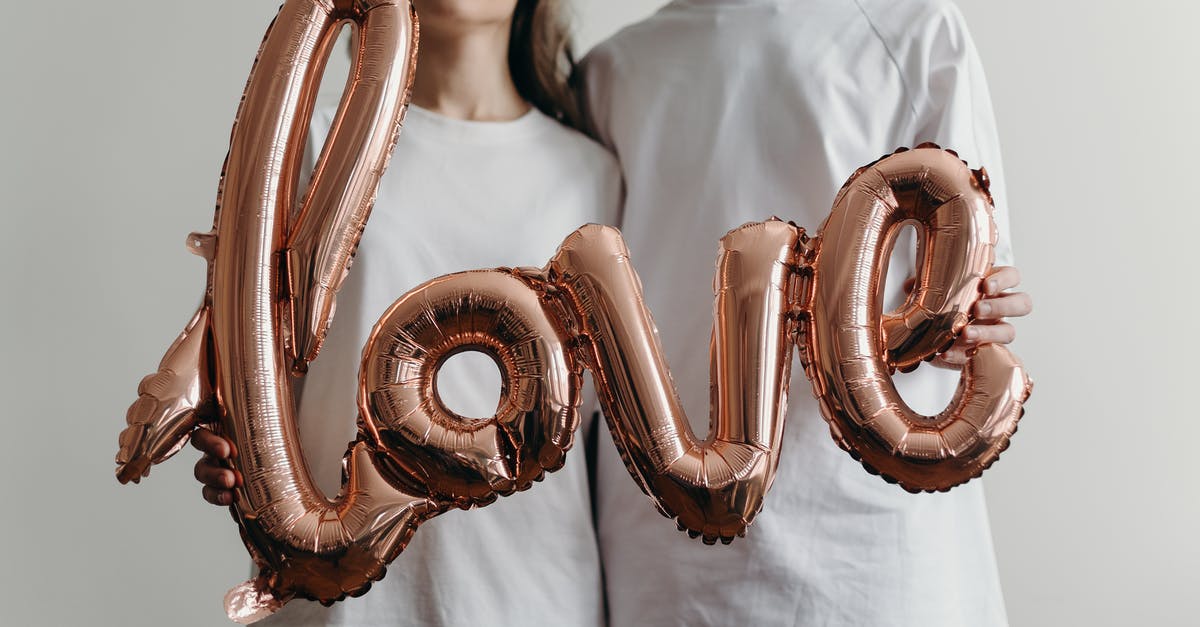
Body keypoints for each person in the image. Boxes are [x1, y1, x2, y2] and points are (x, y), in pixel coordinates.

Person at [579, 1, 1032, 625]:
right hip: (670, 561)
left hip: (871, 553)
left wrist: (975, 316)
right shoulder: (611, 73)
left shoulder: (913, 28)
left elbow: (977, 275)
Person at [192, 1, 620, 625]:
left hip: (532, 591)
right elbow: (245, 362)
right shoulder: (309, 143)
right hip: (340, 597)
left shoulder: (593, 174)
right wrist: (229, 438)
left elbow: (605, 427)